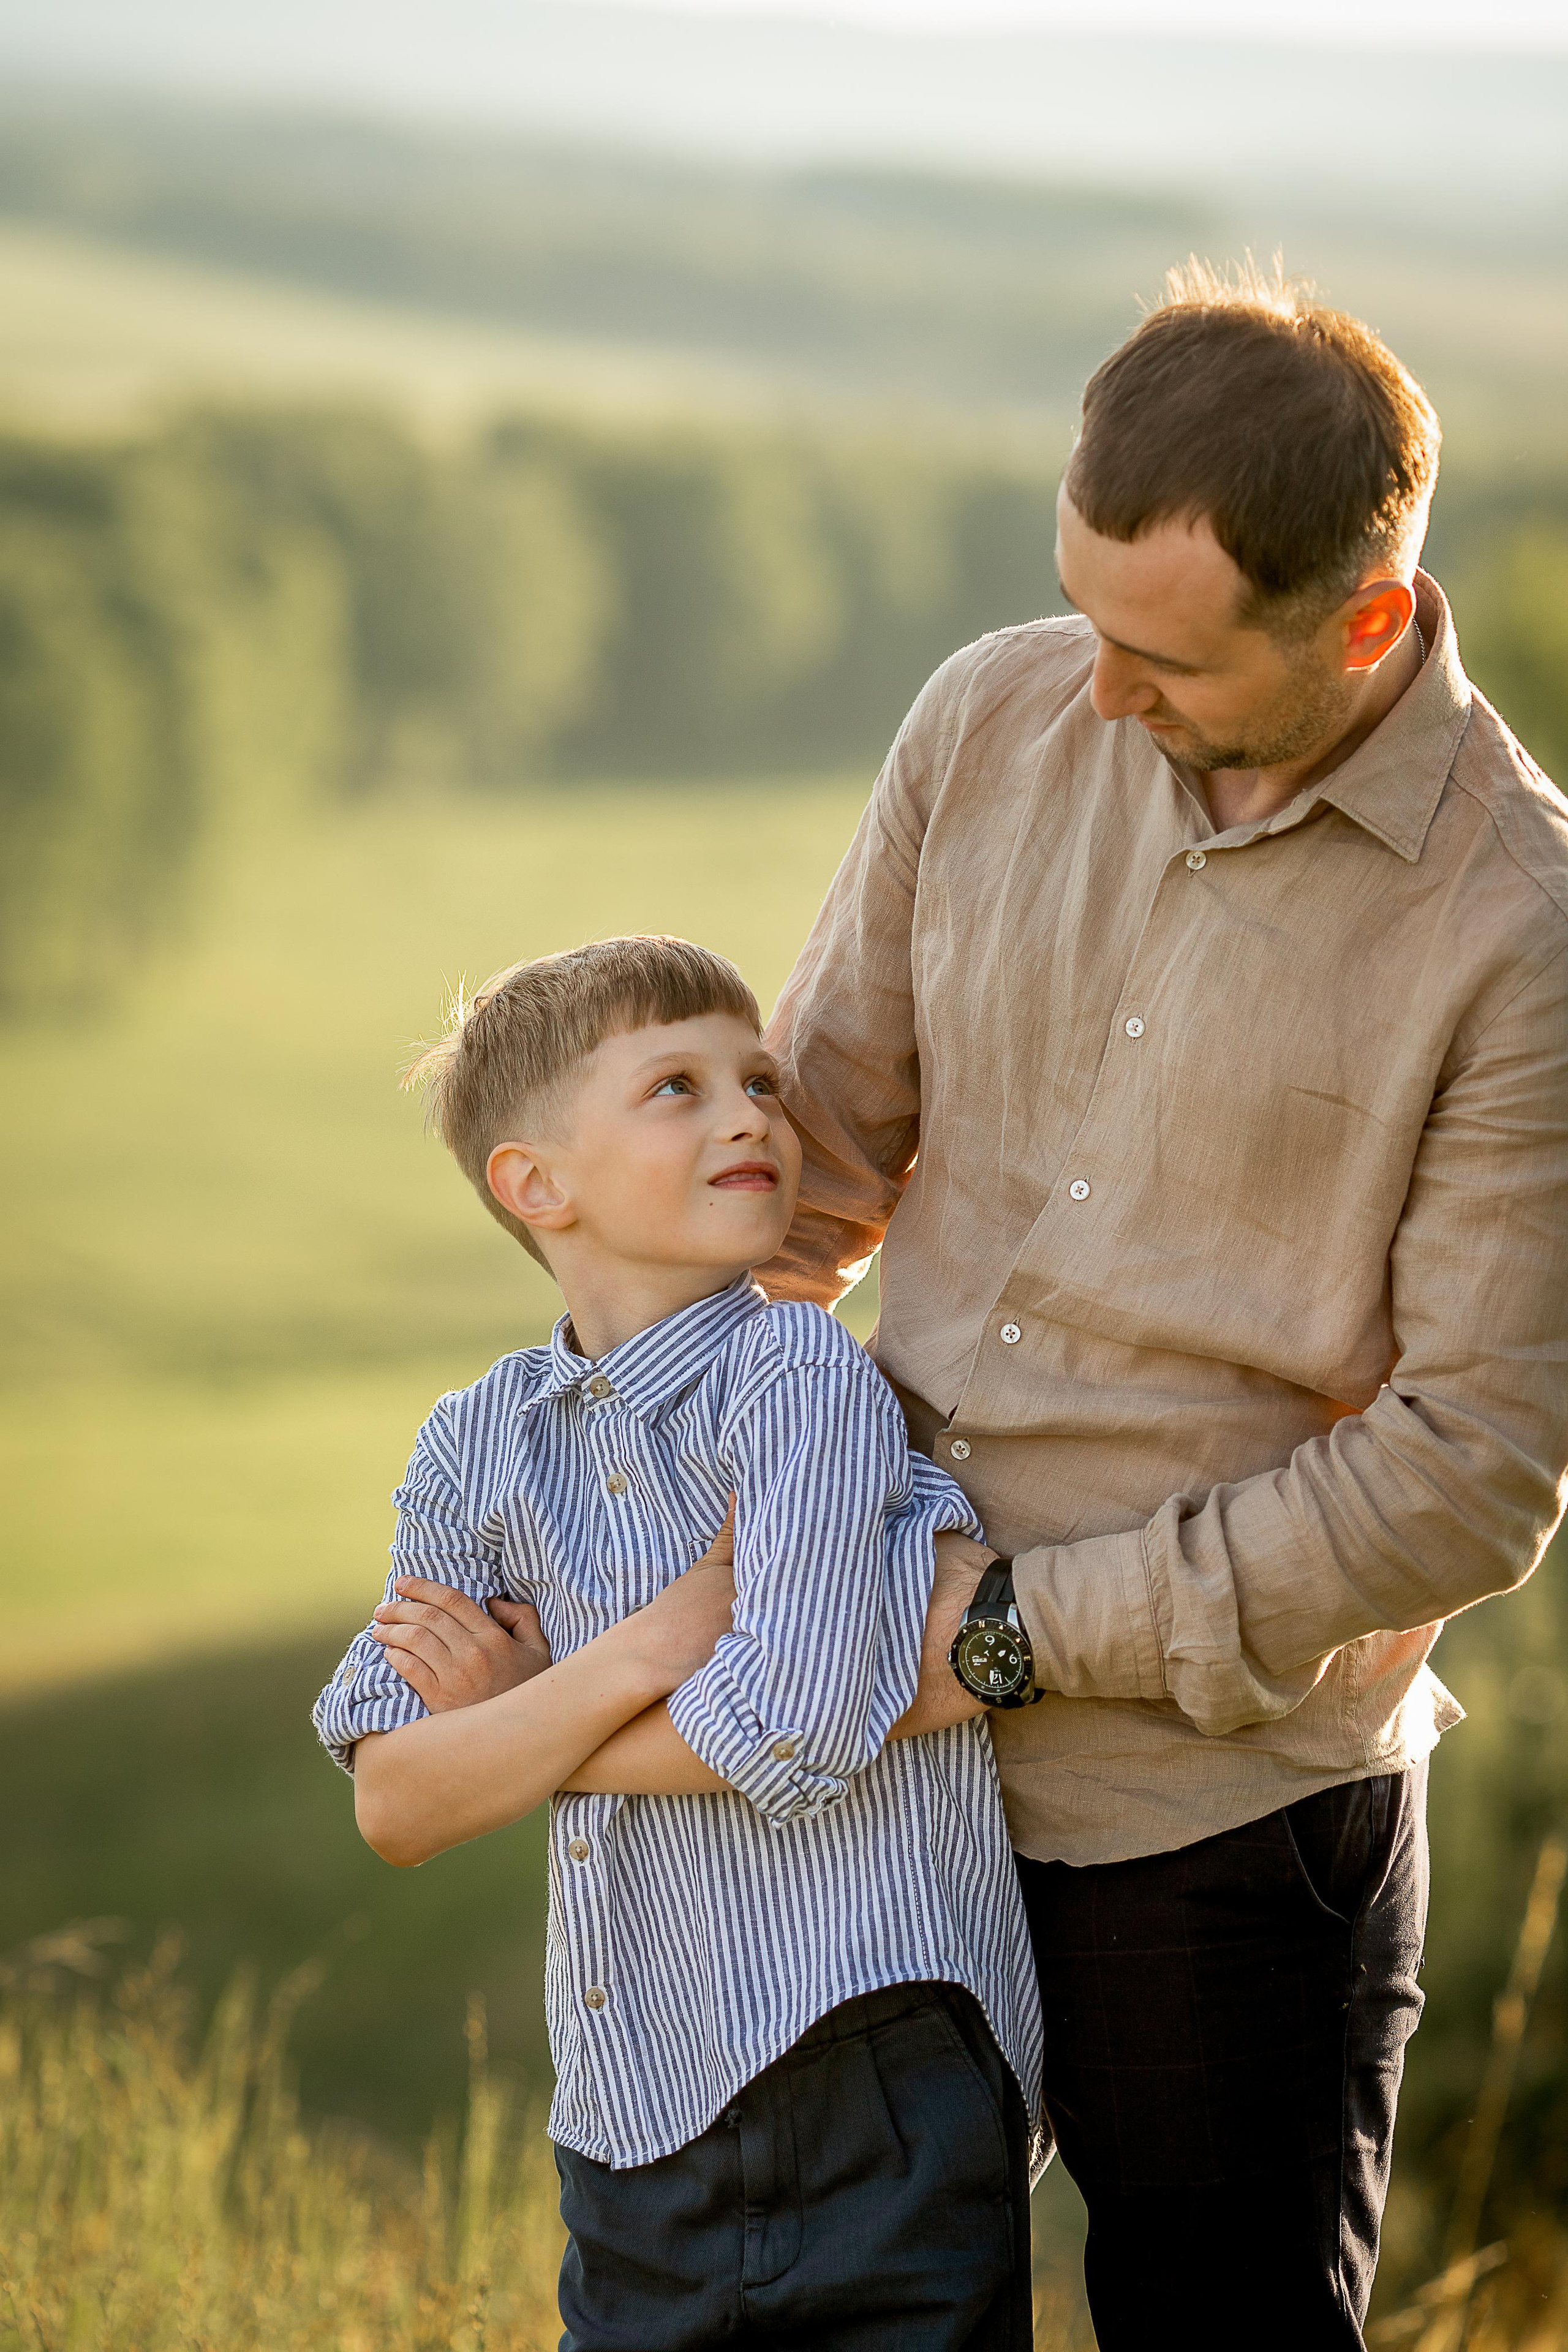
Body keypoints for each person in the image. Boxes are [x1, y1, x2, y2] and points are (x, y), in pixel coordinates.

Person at [760, 260, 1568, 2348]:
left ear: (1368, 620)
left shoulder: (1526, 939)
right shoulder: (990, 712)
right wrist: (624, 1473)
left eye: (1169, 662)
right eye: (1085, 615)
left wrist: (1015, 1643)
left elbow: (1467, 1483)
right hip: (866, 1752)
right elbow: (812, 1164)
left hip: (1219, 1824)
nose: (1097, 693)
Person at [311, 935, 1044, 2352]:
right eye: (677, 1086)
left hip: (869, 2064)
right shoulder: (475, 1441)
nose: (751, 1113)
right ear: (536, 1184)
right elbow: (395, 1800)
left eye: (759, 1079)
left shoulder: (796, 1375)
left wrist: (524, 1727)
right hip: (627, 2110)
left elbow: (802, 1729)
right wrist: (641, 1652)